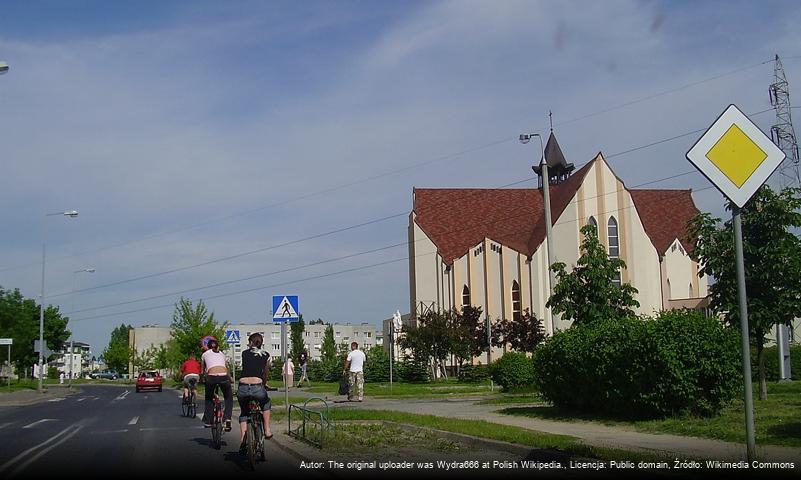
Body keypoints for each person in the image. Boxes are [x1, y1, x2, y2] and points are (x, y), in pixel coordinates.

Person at [237, 333, 273, 454]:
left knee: (244, 412)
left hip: (242, 387)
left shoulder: (244, 353)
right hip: (257, 386)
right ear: (261, 342)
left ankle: (243, 440)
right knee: (266, 403)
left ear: (251, 342)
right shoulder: (266, 355)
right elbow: (265, 373)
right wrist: (264, 383)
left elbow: (247, 367)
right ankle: (267, 430)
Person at [201, 338, 234, 432]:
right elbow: (226, 367)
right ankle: (227, 418)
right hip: (224, 377)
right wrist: (230, 378)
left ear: (207, 347)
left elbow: (203, 369)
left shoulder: (204, 354)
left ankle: (208, 421)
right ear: (218, 346)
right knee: (228, 397)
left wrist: (203, 378)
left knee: (208, 398)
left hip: (211, 378)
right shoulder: (222, 354)